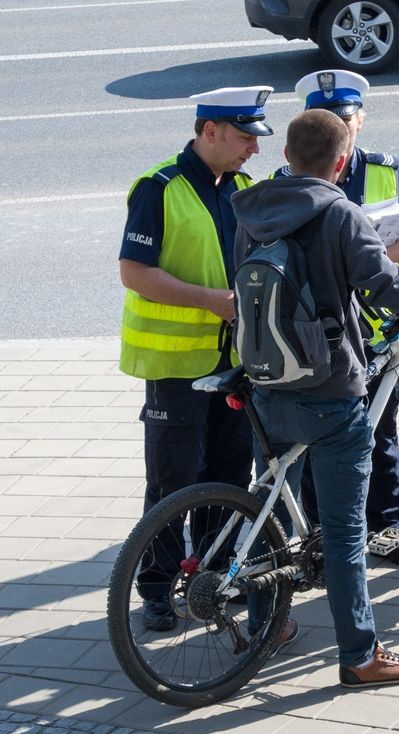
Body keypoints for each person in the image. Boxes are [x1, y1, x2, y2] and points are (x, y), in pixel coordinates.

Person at [231, 109, 399, 687]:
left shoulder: (255, 209)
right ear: (342, 162)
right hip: (329, 390)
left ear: (287, 155)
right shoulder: (340, 211)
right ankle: (360, 656)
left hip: (267, 380)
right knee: (342, 533)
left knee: (272, 516)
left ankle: (269, 624)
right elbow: (385, 283)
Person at [119, 86, 273, 632]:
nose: (253, 149)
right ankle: (157, 591)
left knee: (228, 477)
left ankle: (212, 579)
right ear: (210, 132)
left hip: (233, 365)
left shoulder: (243, 187)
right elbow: (135, 273)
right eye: (245, 137)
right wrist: (212, 301)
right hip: (175, 369)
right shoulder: (159, 188)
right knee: (172, 485)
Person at [281, 68, 399, 567]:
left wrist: (371, 256)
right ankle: (325, 532)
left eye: (349, 115)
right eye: (331, 117)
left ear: (361, 117)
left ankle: (386, 526)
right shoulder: (289, 180)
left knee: (382, 434)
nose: (344, 124)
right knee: (325, 438)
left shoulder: (384, 167)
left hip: (377, 326)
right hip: (322, 331)